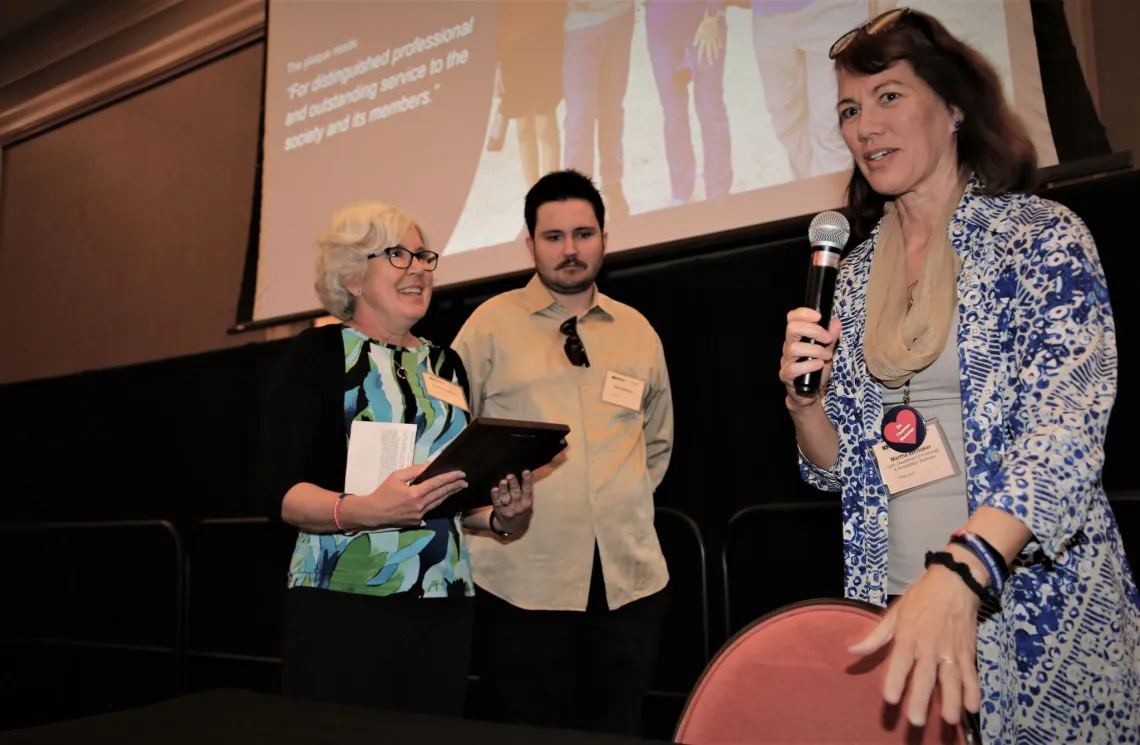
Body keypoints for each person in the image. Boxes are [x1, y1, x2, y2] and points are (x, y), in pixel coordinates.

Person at [778, 7, 1139, 741]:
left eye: (888, 97)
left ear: (953, 108)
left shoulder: (1039, 239)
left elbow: (1064, 435)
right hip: (897, 611)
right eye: (850, 108)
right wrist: (803, 406)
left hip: (1031, 609)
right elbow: (837, 470)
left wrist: (966, 568)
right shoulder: (849, 277)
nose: (864, 126)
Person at [261, 201, 535, 717]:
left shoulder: (445, 363)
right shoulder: (318, 355)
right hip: (344, 600)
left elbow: (452, 490)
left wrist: (500, 515)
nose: (420, 268)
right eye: (398, 254)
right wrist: (365, 510)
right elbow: (283, 493)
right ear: (353, 277)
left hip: (443, 599)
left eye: (424, 256)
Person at [452, 169, 673, 735]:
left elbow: (656, 443)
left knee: (618, 728)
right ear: (530, 243)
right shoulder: (489, 327)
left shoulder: (638, 330)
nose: (570, 249)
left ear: (604, 237)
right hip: (523, 582)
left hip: (629, 582)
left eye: (584, 233)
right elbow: (452, 443)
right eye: (553, 237)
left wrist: (615, 504)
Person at [751, 0, 868, 180]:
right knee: (784, 112)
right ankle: (813, 188)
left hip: (836, 11)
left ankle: (828, 198)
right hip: (769, 15)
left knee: (834, 124)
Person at [644, 0, 732, 204]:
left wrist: (713, 13)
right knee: (673, 114)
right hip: (660, 29)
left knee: (710, 110)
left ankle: (718, 191)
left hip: (703, 24)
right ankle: (681, 190)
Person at [561, 1, 636, 219]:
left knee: (611, 108)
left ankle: (613, 184)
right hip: (578, 22)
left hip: (619, 15)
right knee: (579, 115)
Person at [496, 1, 565, 189]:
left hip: (545, 36)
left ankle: (552, 197)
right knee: (524, 127)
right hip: (510, 48)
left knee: (546, 122)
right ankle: (533, 199)